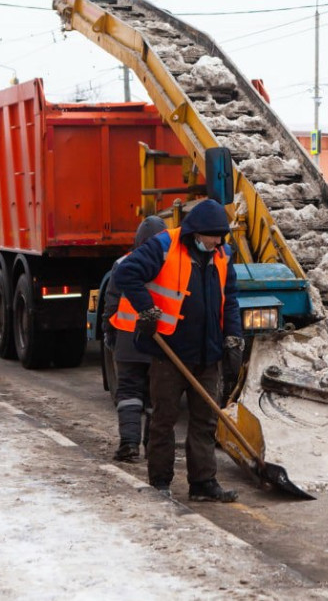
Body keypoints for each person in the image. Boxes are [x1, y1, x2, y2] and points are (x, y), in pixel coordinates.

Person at [111, 199, 243, 502]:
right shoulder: (164, 246)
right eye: (214, 236)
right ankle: (160, 481)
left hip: (208, 354)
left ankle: (203, 483)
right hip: (170, 352)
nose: (218, 242)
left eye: (221, 237)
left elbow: (230, 298)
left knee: (205, 421)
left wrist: (233, 336)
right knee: (164, 418)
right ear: (197, 232)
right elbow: (126, 273)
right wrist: (146, 310)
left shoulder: (222, 255)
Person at [104, 214, 167, 463]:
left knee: (129, 392)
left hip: (128, 341)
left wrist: (108, 332)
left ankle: (129, 444)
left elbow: (111, 304)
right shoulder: (171, 264)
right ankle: (152, 443)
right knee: (155, 396)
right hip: (159, 341)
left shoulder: (123, 263)